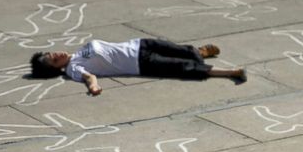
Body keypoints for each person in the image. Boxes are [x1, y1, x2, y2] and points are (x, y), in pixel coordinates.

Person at [29, 39, 246, 95]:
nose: (56, 54)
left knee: (179, 49)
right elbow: (88, 77)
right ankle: (230, 73)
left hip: (139, 45)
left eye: (51, 53)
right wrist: (94, 87)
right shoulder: (73, 68)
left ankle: (199, 52)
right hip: (140, 63)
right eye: (53, 60)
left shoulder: (75, 54)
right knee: (183, 66)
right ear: (56, 69)